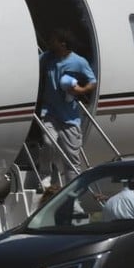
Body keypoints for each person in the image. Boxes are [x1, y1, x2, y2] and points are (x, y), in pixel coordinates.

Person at [38, 27, 97, 187]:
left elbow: (92, 81)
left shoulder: (78, 62)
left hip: (70, 117)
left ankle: (72, 194)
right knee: (49, 142)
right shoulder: (47, 58)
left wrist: (81, 90)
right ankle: (45, 174)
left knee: (72, 159)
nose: (50, 43)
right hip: (49, 111)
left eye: (54, 41)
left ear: (63, 44)